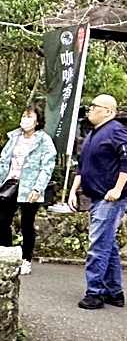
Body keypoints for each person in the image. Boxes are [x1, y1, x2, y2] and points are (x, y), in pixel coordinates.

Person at [67, 94, 127, 310]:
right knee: (108, 244)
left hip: (110, 198)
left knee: (98, 245)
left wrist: (117, 188)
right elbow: (82, 165)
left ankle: (94, 293)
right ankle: (114, 292)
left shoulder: (116, 130)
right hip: (96, 196)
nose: (90, 110)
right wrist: (73, 191)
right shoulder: (91, 135)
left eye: (94, 106)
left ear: (108, 111)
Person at [0, 103, 58, 275]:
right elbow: (3, 161)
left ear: (37, 121)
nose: (25, 120)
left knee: (26, 224)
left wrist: (38, 188)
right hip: (10, 183)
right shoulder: (14, 137)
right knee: (2, 220)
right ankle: (6, 253)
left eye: (29, 117)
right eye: (24, 116)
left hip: (30, 186)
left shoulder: (44, 141)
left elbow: (47, 167)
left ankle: (26, 259)